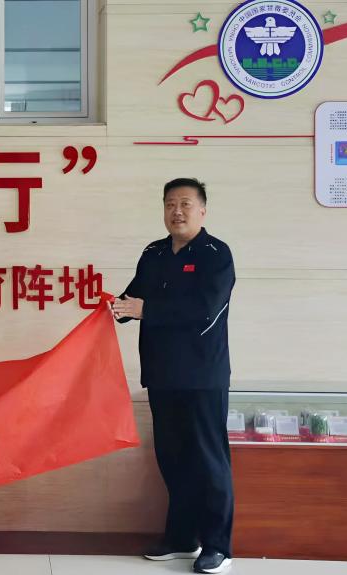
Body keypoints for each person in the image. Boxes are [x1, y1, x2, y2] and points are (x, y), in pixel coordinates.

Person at [111, 178, 235, 574]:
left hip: (202, 375)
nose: (176, 212)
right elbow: (135, 297)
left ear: (202, 210)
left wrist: (145, 310)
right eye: (169, 204)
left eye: (185, 204)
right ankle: (182, 538)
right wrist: (114, 307)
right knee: (173, 458)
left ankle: (217, 546)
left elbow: (204, 309)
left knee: (208, 459)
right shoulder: (154, 252)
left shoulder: (216, 254)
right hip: (162, 374)